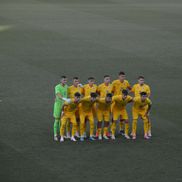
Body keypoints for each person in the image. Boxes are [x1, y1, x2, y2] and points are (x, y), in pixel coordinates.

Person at [112, 71, 132, 135]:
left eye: (124, 76)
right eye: (121, 76)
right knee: (113, 117)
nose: (123, 77)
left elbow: (130, 88)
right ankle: (111, 129)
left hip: (123, 101)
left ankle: (121, 129)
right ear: (119, 76)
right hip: (115, 101)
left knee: (122, 116)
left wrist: (127, 94)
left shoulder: (126, 82)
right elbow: (111, 91)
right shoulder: (114, 82)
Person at [53, 76, 69, 141]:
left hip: (64, 106)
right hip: (58, 105)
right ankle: (55, 135)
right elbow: (58, 94)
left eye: (65, 80)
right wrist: (63, 98)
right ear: (61, 80)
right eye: (63, 80)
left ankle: (61, 134)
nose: (65, 81)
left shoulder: (66, 86)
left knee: (62, 120)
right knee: (57, 120)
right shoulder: (57, 87)